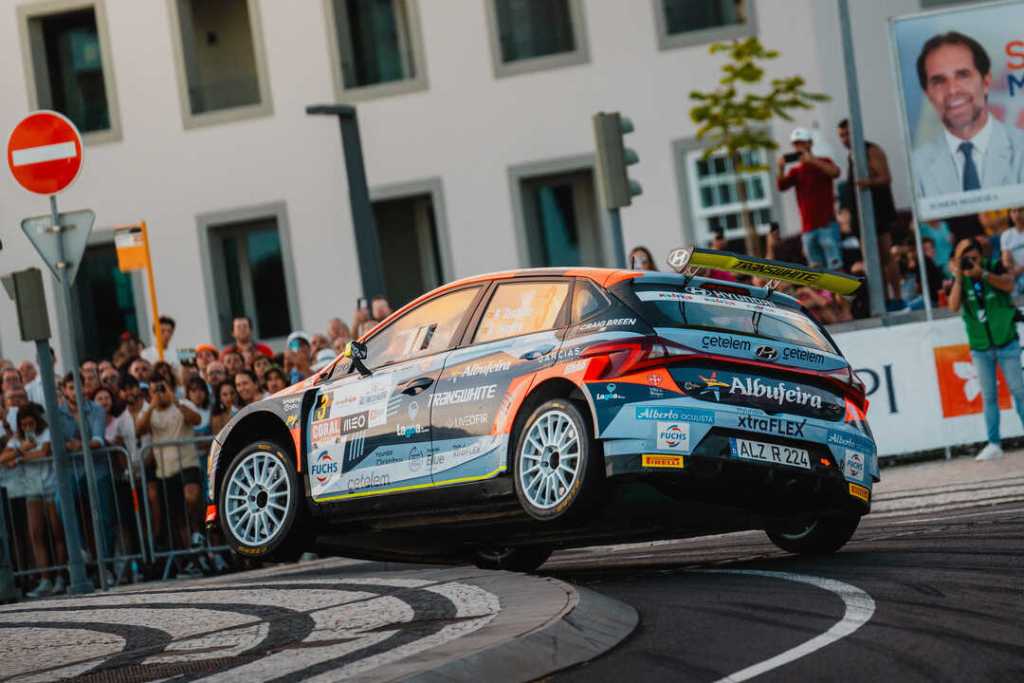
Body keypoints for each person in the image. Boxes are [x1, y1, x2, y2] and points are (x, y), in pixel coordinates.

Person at [912, 32, 1024, 198]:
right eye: (939, 81)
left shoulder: (1021, 148)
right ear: (928, 95)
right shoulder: (916, 166)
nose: (952, 90)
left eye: (963, 75)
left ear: (986, 83)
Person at [947, 238, 1024, 461]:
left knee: (1019, 392)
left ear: (980, 256)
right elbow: (953, 306)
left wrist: (983, 274)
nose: (970, 262)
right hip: (980, 347)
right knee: (989, 396)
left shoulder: (994, 266)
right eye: (965, 259)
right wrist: (959, 277)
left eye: (973, 258)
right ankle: (994, 443)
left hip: (1006, 341)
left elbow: (1009, 285)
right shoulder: (960, 278)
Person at [1, 404, 65, 597]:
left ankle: (61, 576)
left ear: (37, 421)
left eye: (31, 423)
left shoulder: (46, 433)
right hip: (32, 489)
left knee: (56, 532)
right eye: (24, 424)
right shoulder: (17, 439)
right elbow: (3, 458)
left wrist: (21, 457)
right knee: (35, 533)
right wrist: (20, 451)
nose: (28, 427)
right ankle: (45, 579)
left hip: (50, 486)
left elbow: (44, 452)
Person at [837, 118, 901, 303]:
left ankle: (897, 297)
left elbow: (885, 177)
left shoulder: (871, 150)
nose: (845, 139)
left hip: (878, 211)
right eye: (841, 136)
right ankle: (883, 299)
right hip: (861, 215)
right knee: (872, 261)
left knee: (886, 256)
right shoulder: (852, 155)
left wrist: (867, 183)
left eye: (847, 134)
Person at [135, 378, 203, 551]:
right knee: (178, 515)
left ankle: (197, 530)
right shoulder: (149, 412)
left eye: (162, 389)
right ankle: (191, 552)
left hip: (188, 462)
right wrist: (152, 405)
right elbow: (139, 430)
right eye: (155, 391)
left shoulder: (183, 404)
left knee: (191, 497)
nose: (159, 393)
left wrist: (175, 401)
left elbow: (196, 420)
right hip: (165, 470)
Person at [777, 128, 842, 270]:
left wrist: (813, 161)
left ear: (810, 143)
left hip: (827, 224)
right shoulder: (796, 171)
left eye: (802, 143)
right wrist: (781, 169)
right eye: (796, 144)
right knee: (815, 271)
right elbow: (781, 186)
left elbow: (836, 172)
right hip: (807, 228)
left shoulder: (824, 162)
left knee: (836, 268)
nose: (799, 147)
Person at [999, 207, 1024, 293]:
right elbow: (1006, 260)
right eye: (1014, 211)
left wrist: (1020, 270)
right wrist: (1011, 270)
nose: (1017, 214)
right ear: (1010, 215)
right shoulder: (1006, 235)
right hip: (1016, 275)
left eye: (1020, 210)